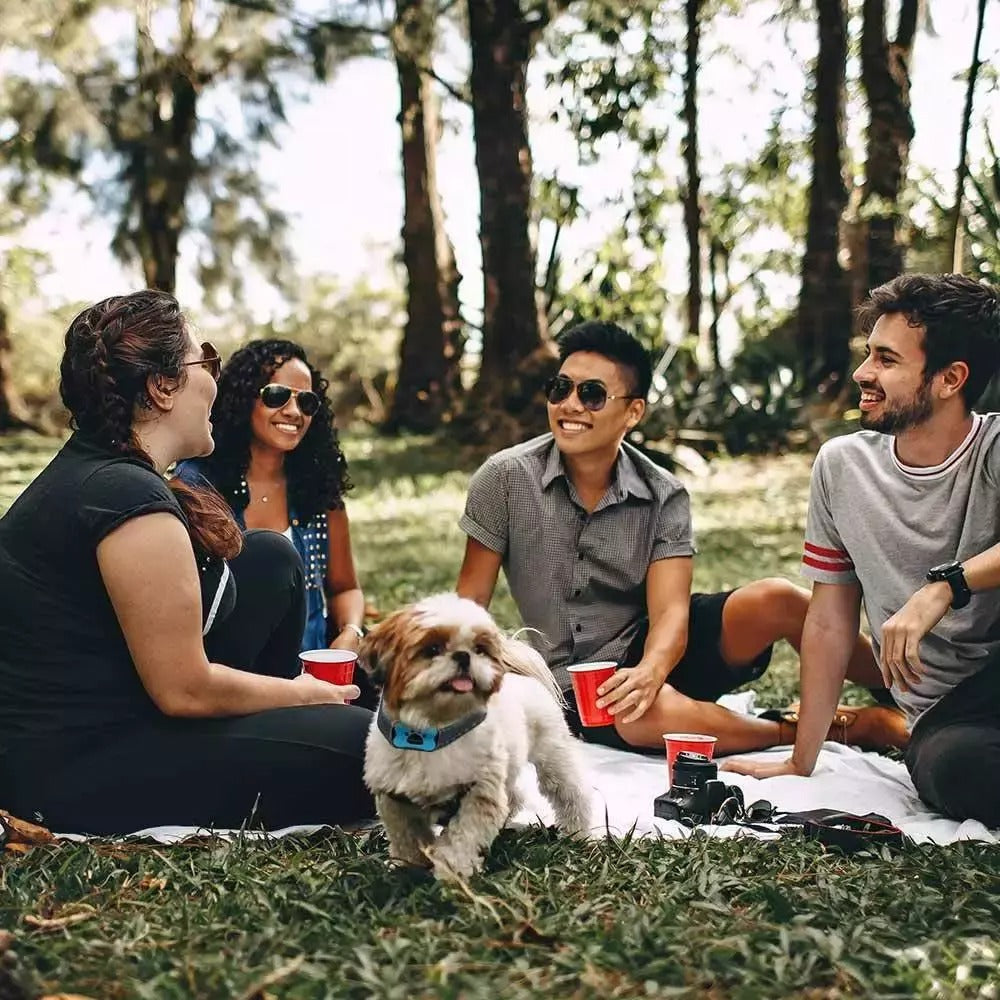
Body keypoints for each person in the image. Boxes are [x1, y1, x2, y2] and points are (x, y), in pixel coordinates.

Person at [0, 292, 374, 835]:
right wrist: (303, 693)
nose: (215, 384)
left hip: (125, 711)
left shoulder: (108, 471)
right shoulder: (123, 496)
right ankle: (296, 728)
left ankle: (287, 728)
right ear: (162, 385)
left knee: (270, 558)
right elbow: (184, 690)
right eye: (208, 363)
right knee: (373, 749)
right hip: (76, 769)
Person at [456, 320, 907, 756]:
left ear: (633, 411)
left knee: (779, 598)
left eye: (591, 394)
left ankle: (913, 698)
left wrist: (651, 670)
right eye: (560, 389)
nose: (570, 405)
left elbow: (671, 611)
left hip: (658, 647)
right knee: (639, 716)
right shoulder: (505, 479)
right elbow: (469, 605)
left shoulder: (663, 493)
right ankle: (823, 728)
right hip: (576, 684)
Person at [724, 274, 1000, 827]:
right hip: (950, 715)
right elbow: (828, 622)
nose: (862, 373)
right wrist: (802, 759)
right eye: (868, 354)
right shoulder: (843, 467)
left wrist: (946, 585)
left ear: (951, 378)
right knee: (954, 771)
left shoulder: (994, 448)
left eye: (886, 360)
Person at [176, 340, 365, 655]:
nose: (293, 411)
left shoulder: (318, 490)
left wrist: (350, 633)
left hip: (313, 675)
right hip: (229, 676)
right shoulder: (197, 485)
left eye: (306, 402)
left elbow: (345, 588)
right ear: (242, 399)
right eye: (277, 396)